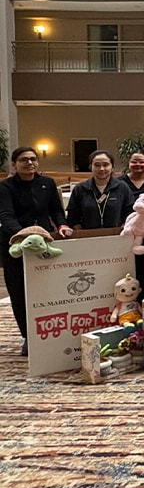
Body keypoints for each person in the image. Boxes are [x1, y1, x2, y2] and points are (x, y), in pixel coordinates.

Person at [0, 146, 73, 355]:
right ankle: (28, 336)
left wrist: (62, 226)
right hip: (15, 244)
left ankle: (50, 333)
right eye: (24, 160)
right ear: (15, 164)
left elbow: (56, 210)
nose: (30, 163)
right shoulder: (5, 187)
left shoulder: (47, 183)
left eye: (33, 159)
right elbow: (6, 216)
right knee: (19, 292)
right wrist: (26, 235)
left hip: (44, 243)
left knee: (47, 290)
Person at [116, 150, 144, 299]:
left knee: (143, 270)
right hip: (125, 233)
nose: (138, 165)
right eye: (134, 161)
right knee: (123, 269)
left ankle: (139, 299)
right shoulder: (119, 183)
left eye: (141, 161)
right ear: (129, 164)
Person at [66, 150, 134, 230]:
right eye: (97, 165)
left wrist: (121, 231)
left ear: (112, 166)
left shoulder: (122, 187)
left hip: (116, 236)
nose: (101, 169)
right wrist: (82, 234)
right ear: (91, 167)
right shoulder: (80, 189)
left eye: (106, 165)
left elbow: (130, 213)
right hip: (87, 237)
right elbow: (72, 217)